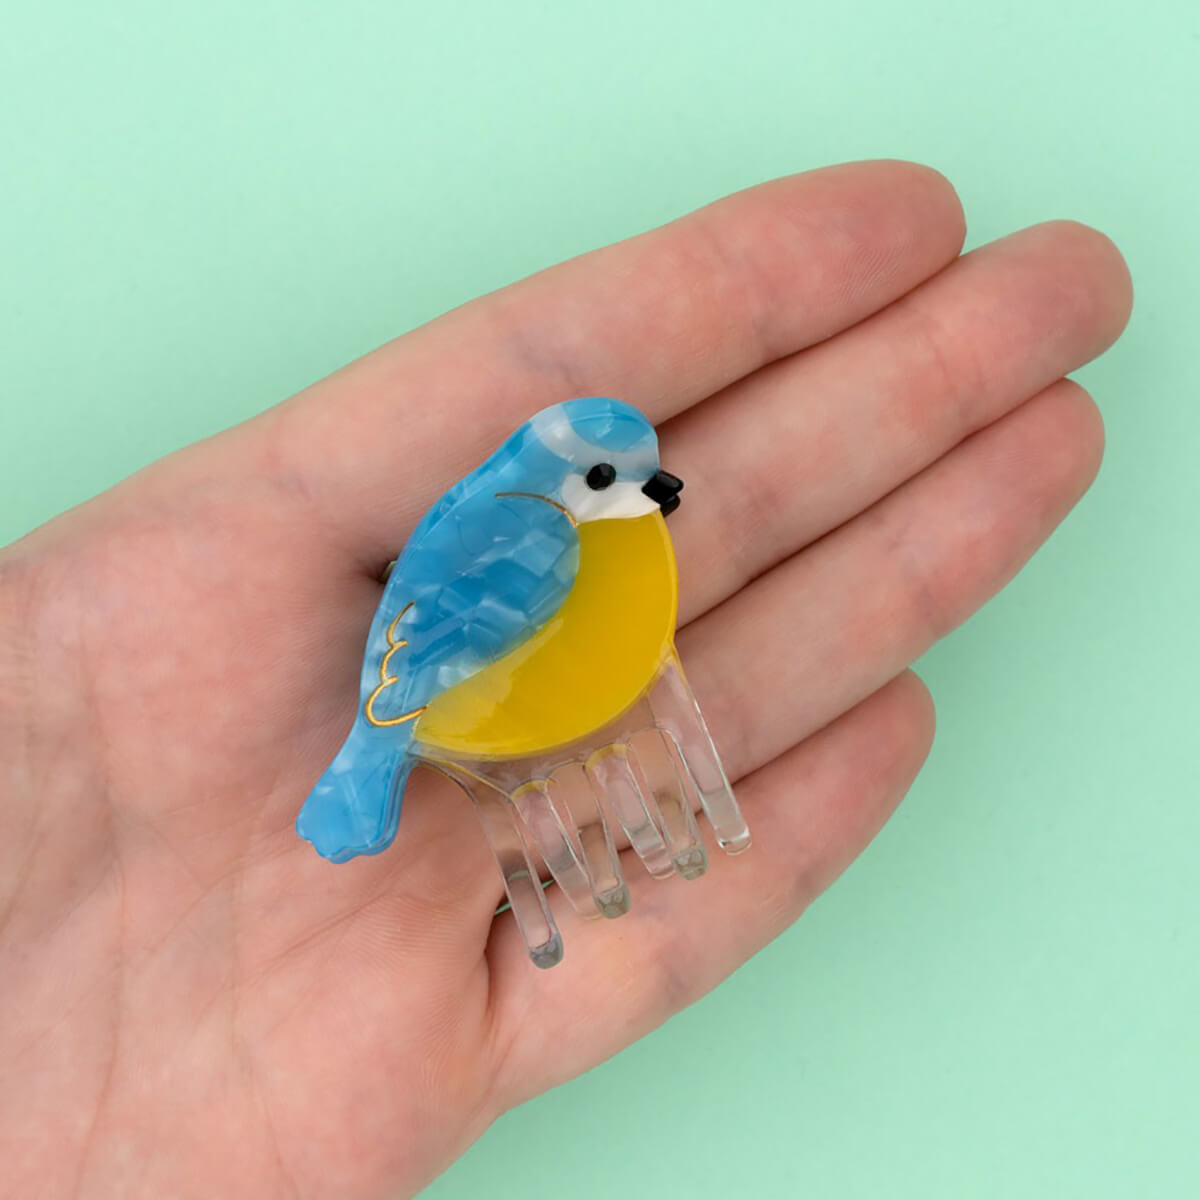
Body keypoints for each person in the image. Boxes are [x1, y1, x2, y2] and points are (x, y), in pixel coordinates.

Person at [0, 160, 1131, 1199]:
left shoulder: (596, 530)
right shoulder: (540, 535)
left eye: (643, 474)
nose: (649, 494)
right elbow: (444, 637)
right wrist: (402, 720)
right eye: (613, 479)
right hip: (462, 713)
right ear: (562, 481)